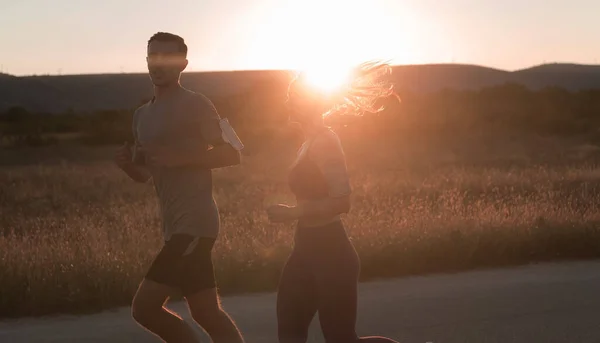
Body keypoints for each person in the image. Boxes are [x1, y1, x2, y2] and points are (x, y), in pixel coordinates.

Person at [114, 32, 245, 343]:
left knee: (144, 309)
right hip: (175, 227)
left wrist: (182, 158)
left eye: (166, 57)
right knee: (205, 313)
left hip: (195, 223)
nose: (156, 64)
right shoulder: (141, 116)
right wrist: (128, 166)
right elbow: (146, 175)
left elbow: (232, 153)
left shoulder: (197, 104)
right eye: (151, 56)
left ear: (183, 63)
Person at [266, 61, 401, 343]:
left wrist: (292, 213)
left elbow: (342, 202)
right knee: (289, 332)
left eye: (295, 97)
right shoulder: (308, 142)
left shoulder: (326, 141)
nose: (289, 102)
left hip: (332, 254)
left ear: (310, 103)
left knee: (341, 339)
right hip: (304, 251)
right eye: (290, 96)